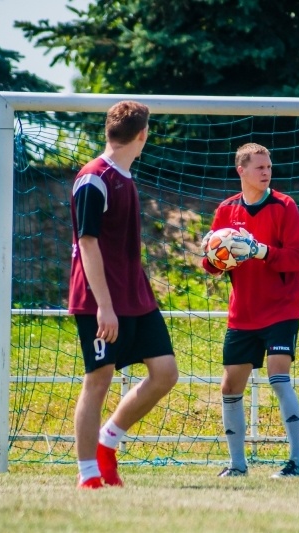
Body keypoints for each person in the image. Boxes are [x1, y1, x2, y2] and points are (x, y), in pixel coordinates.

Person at [68, 100, 179, 489]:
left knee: (165, 373)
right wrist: (104, 307)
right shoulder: (93, 178)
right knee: (98, 379)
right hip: (101, 301)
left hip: (136, 295)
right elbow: (87, 244)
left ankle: (108, 441)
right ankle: (88, 475)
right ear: (143, 134)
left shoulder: (125, 177)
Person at [201, 143, 299, 478]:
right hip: (243, 314)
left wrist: (260, 250)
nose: (266, 172)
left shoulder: (285, 206)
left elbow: (296, 258)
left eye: (269, 167)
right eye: (259, 167)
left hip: (281, 309)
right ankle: (237, 465)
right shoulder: (226, 211)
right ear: (241, 171)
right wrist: (211, 252)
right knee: (230, 387)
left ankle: (296, 463)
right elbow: (212, 267)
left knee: (278, 377)